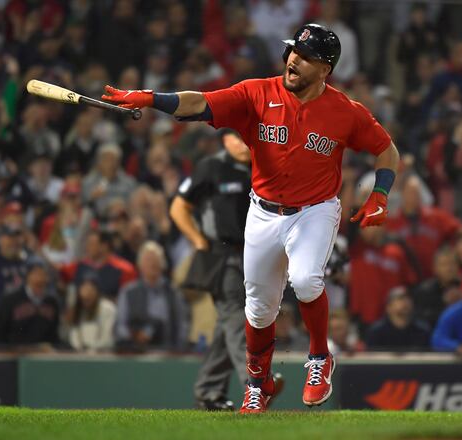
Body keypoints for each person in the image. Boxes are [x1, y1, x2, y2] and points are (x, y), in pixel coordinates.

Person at [102, 23, 400, 412]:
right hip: (262, 211)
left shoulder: (345, 111)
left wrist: (380, 192)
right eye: (294, 50)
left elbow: (387, 149)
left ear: (325, 69)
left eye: (307, 57)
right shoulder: (257, 92)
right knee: (258, 309)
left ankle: (319, 359)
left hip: (315, 210)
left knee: (307, 279)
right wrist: (149, 98)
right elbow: (199, 102)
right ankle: (257, 385)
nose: (294, 59)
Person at [170, 129, 278, 411]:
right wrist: (197, 240)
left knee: (226, 328)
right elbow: (179, 207)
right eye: (238, 138)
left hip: (253, 257)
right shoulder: (211, 166)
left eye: (248, 138)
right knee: (238, 316)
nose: (244, 144)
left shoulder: (261, 166)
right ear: (225, 140)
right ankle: (255, 384)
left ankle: (208, 392)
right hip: (221, 256)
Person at [115, 241, 189, 351]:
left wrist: (179, 349)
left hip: (169, 353)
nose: (152, 264)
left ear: (163, 264)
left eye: (156, 260)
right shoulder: (128, 292)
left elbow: (182, 324)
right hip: (137, 353)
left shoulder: (173, 293)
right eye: (148, 260)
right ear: (140, 265)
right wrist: (133, 338)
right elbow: (120, 325)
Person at [0, 258, 60, 348]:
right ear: (28, 276)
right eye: (37, 273)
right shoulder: (10, 300)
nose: (41, 277)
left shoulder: (51, 303)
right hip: (15, 355)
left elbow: (54, 335)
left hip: (42, 356)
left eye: (44, 274)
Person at [365, 287, 431, 352]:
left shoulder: (422, 330)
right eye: (400, 298)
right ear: (388, 307)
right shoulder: (376, 332)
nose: (406, 302)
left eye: (408, 299)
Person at [67, 273, 116, 352]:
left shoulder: (108, 309)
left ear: (97, 291)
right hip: (80, 355)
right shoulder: (77, 309)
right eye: (84, 288)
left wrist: (92, 350)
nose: (87, 293)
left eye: (91, 289)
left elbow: (107, 338)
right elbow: (74, 337)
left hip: (103, 354)